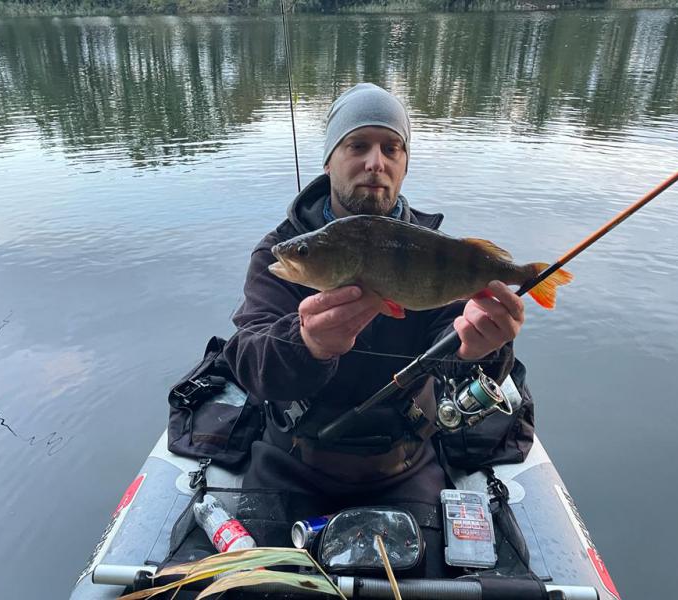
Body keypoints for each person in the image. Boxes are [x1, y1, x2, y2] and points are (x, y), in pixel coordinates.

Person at [223, 83, 527, 505]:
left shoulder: (435, 253)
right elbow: (248, 361)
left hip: (404, 464)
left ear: (404, 164)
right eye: (358, 145)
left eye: (391, 148)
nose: (375, 163)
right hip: (291, 459)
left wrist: (483, 348)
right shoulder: (287, 252)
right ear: (329, 161)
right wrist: (307, 344)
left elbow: (460, 362)